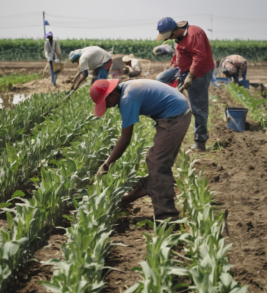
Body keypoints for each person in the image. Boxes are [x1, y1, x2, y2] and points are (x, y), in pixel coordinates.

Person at [90, 79, 191, 222]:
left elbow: (125, 139)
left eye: (105, 102)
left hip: (175, 116)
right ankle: (143, 188)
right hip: (177, 113)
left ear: (112, 93)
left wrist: (106, 164)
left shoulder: (127, 98)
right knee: (158, 163)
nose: (107, 107)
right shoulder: (126, 88)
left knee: (157, 162)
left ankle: (166, 217)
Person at [156, 17, 215, 151]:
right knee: (160, 79)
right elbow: (181, 51)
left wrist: (191, 76)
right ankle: (167, 110)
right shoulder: (180, 36)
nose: (169, 39)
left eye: (168, 36)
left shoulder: (194, 34)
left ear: (174, 30)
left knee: (198, 108)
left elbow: (200, 57)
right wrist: (175, 63)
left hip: (199, 72)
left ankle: (200, 142)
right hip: (183, 70)